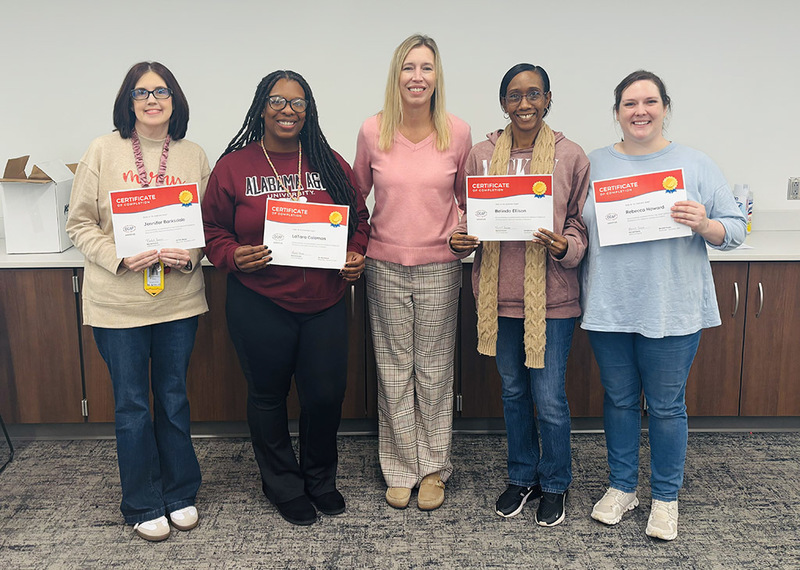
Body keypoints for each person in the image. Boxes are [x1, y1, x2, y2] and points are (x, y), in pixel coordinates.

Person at [581, 70, 746, 540]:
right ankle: (621, 488)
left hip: (672, 308)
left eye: (650, 101)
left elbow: (734, 230)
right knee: (619, 400)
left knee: (668, 406)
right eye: (629, 103)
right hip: (610, 306)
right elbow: (573, 224)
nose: (640, 111)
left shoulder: (694, 164)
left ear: (665, 107)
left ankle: (665, 498)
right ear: (616, 112)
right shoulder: (594, 164)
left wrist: (705, 224)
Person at [202, 70, 370, 526]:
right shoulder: (233, 167)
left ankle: (319, 479)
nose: (287, 110)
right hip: (260, 301)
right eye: (277, 101)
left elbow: (359, 220)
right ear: (261, 107)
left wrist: (356, 253)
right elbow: (211, 228)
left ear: (308, 111)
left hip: (326, 302)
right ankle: (282, 484)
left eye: (297, 103)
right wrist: (233, 254)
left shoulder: (329, 162)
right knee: (268, 396)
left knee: (325, 396)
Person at [66, 62, 209, 542]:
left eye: (162, 90)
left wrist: (188, 256)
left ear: (175, 99)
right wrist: (117, 256)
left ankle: (180, 492)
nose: (152, 99)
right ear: (128, 101)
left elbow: (207, 230)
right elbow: (79, 224)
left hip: (178, 303)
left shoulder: (192, 155)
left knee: (172, 400)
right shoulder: (102, 150)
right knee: (131, 406)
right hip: (117, 306)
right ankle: (143, 501)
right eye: (141, 92)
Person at [450, 64, 590, 526]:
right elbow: (469, 214)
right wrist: (462, 237)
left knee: (549, 398)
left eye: (534, 94)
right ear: (502, 103)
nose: (524, 103)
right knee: (513, 394)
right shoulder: (481, 155)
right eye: (514, 95)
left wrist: (565, 245)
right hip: (498, 297)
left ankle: (555, 483)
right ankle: (522, 476)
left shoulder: (571, 156)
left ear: (548, 99)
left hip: (552, 300)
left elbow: (579, 222)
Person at [353, 34, 472, 511]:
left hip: (441, 267)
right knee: (395, 370)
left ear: (437, 75)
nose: (416, 77)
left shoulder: (458, 132)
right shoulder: (372, 131)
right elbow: (355, 197)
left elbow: (470, 199)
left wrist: (465, 230)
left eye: (425, 68)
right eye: (408, 68)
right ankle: (400, 468)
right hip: (383, 266)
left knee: (436, 370)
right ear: (395, 76)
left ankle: (434, 469)